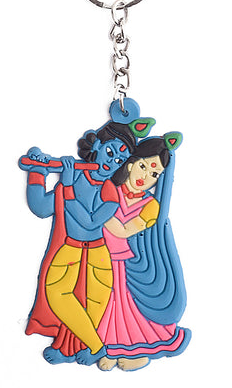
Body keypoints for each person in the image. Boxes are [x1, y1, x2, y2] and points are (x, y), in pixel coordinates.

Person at [19, 121, 142, 365]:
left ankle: (74, 349)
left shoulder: (110, 191)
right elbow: (41, 208)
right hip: (70, 249)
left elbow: (90, 221)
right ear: (95, 145)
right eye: (110, 152)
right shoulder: (74, 175)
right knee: (57, 295)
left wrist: (67, 186)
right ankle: (90, 347)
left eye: (119, 160)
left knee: (90, 307)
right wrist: (37, 171)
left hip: (97, 257)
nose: (112, 161)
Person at [96, 135, 191, 371]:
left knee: (120, 305)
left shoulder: (151, 206)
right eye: (143, 166)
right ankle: (108, 347)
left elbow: (124, 230)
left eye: (155, 173)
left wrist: (99, 214)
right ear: (130, 164)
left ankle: (131, 350)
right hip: (95, 255)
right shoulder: (110, 189)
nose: (146, 176)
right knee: (100, 303)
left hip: (123, 263)